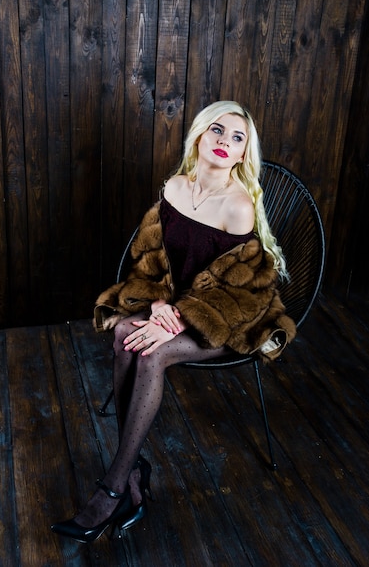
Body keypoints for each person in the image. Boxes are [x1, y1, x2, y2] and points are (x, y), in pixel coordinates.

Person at [51, 100, 296, 544]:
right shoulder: (176, 188)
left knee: (150, 354)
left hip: (234, 319)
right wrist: (161, 303)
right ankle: (132, 477)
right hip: (181, 304)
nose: (225, 142)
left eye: (237, 138)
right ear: (200, 136)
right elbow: (151, 264)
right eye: (217, 131)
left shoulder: (237, 206)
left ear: (243, 154)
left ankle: (114, 488)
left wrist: (180, 316)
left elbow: (242, 294)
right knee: (126, 334)